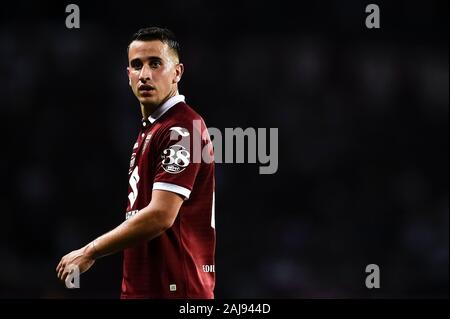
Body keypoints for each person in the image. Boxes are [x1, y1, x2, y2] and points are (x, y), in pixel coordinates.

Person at [56, 27, 216, 299]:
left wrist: (90, 250)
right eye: (136, 65)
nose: (145, 74)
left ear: (177, 72)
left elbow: (160, 216)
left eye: (156, 63)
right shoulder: (152, 129)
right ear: (127, 75)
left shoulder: (183, 128)